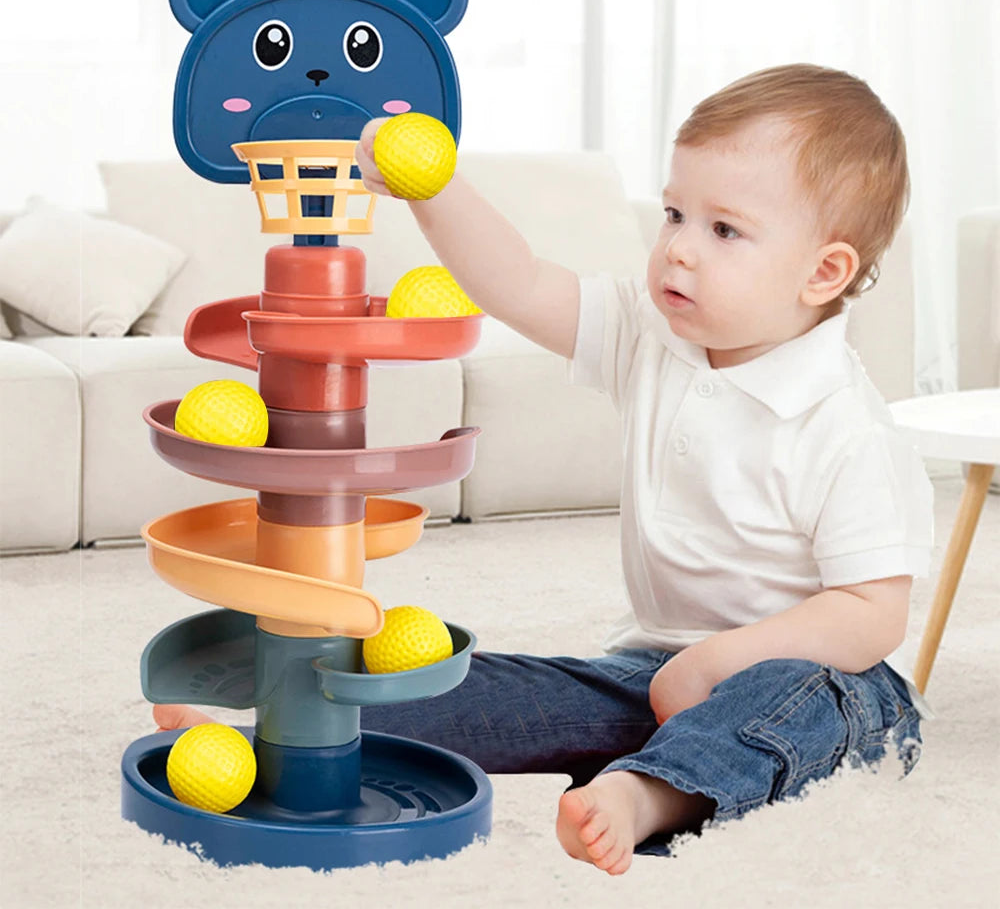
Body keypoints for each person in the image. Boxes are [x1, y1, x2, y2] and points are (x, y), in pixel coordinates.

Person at [156, 63, 933, 876]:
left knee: (788, 704)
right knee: (490, 688)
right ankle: (284, 736)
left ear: (824, 273)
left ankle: (649, 794)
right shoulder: (650, 335)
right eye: (674, 213)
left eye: (724, 230)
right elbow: (517, 283)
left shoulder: (844, 426)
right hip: (649, 673)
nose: (678, 249)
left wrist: (716, 662)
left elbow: (871, 615)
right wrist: (433, 188)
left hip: (829, 688)